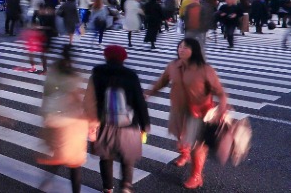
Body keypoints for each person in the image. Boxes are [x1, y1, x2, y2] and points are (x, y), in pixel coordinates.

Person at [146, 37, 228, 189]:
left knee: (198, 145)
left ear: (194, 51)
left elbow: (220, 92)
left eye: (186, 47)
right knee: (181, 137)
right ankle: (185, 154)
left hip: (199, 113)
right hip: (179, 110)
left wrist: (222, 107)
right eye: (180, 47)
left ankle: (196, 176)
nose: (181, 49)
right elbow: (162, 81)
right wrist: (148, 93)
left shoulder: (205, 70)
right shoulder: (173, 66)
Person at [84, 45, 150, 193]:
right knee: (127, 158)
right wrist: (145, 124)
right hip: (128, 125)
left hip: (104, 124)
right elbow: (139, 102)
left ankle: (108, 188)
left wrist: (91, 123)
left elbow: (88, 101)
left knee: (106, 157)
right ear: (123, 58)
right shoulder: (131, 75)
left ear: (105, 56)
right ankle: (126, 186)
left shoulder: (97, 73)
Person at [38, 44, 88, 193]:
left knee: (59, 154)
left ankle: (47, 180)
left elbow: (46, 94)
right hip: (71, 122)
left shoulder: (54, 72)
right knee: (74, 161)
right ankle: (75, 190)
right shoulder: (73, 75)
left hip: (55, 118)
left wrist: (45, 114)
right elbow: (76, 98)